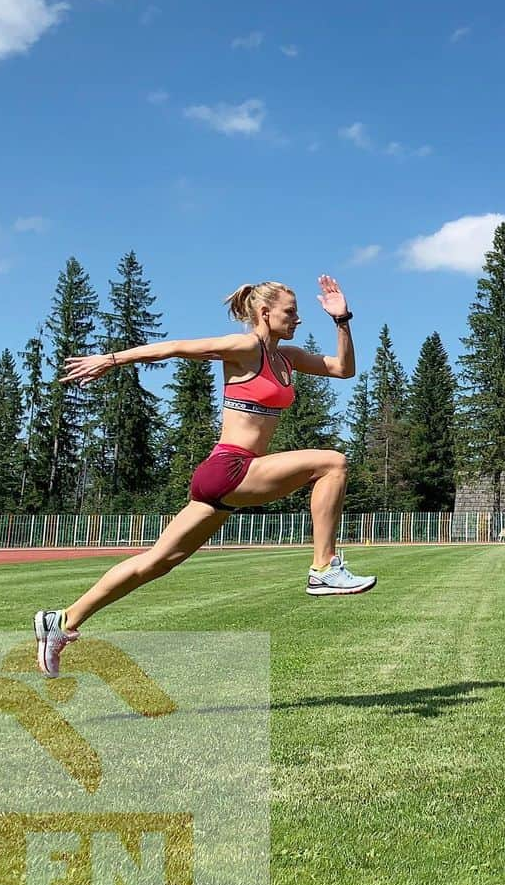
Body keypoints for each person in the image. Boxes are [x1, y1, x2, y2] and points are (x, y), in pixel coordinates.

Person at [33, 273, 377, 676]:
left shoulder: (288, 358)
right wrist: (111, 360)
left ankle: (62, 621)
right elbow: (176, 348)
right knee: (332, 462)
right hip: (232, 468)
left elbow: (343, 369)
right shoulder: (245, 347)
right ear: (264, 313)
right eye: (290, 312)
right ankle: (323, 568)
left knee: (157, 562)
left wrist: (342, 320)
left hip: (227, 478)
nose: (298, 318)